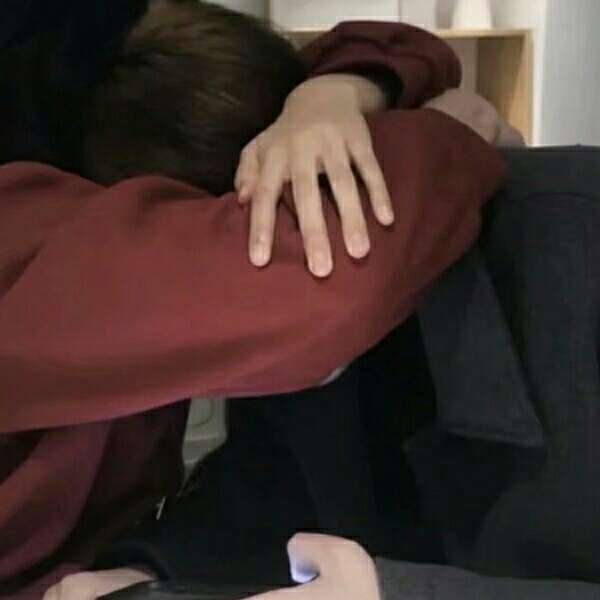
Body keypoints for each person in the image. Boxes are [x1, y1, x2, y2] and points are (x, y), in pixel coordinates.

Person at [0, 3, 509, 598]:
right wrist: (450, 131)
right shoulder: (47, 252)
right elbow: (333, 288)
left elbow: (386, 45)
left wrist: (332, 96)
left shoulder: (93, 117)